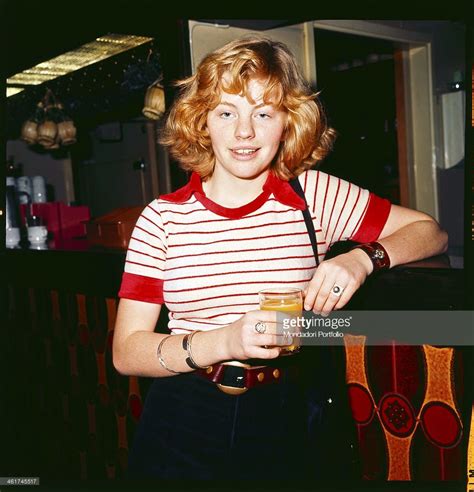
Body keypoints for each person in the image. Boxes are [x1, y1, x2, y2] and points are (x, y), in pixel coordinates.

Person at [113, 36, 448, 480]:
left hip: (290, 413)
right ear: (203, 122)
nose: (244, 132)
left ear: (288, 122)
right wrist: (225, 342)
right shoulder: (162, 219)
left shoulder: (313, 194)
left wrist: (363, 259)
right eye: (226, 112)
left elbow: (432, 232)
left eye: (263, 113)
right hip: (184, 416)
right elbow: (126, 351)